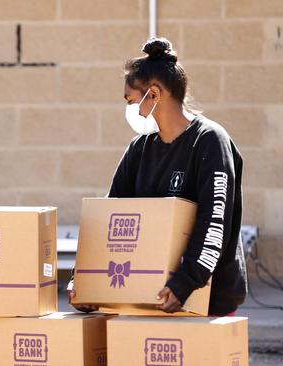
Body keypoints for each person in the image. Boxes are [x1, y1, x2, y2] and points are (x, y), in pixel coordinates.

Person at [69, 37, 247, 317]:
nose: (133, 111)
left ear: (153, 94)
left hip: (207, 301)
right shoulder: (139, 149)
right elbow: (109, 215)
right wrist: (83, 282)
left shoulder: (210, 141)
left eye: (132, 101)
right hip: (146, 297)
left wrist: (185, 282)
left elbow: (214, 223)